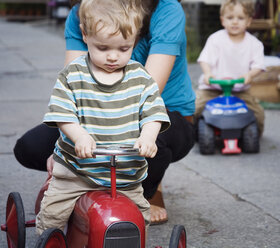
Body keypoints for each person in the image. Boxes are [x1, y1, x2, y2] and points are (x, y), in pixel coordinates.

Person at [14, 0, 195, 225]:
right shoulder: (83, 11)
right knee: (30, 147)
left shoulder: (165, 10)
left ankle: (146, 189)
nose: (112, 57)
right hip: (94, 112)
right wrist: (64, 146)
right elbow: (73, 90)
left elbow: (148, 97)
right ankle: (83, 182)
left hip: (158, 111)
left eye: (123, 48)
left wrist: (145, 136)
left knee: (153, 139)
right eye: (103, 49)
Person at [194, 0, 265, 135]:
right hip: (213, 89)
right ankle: (193, 132)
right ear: (222, 20)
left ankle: (254, 135)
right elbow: (205, 60)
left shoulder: (254, 44)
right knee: (195, 108)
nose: (235, 22)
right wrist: (208, 74)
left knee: (258, 113)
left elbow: (258, 65)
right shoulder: (215, 39)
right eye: (230, 18)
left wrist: (249, 75)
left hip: (239, 90)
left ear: (249, 21)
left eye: (240, 18)